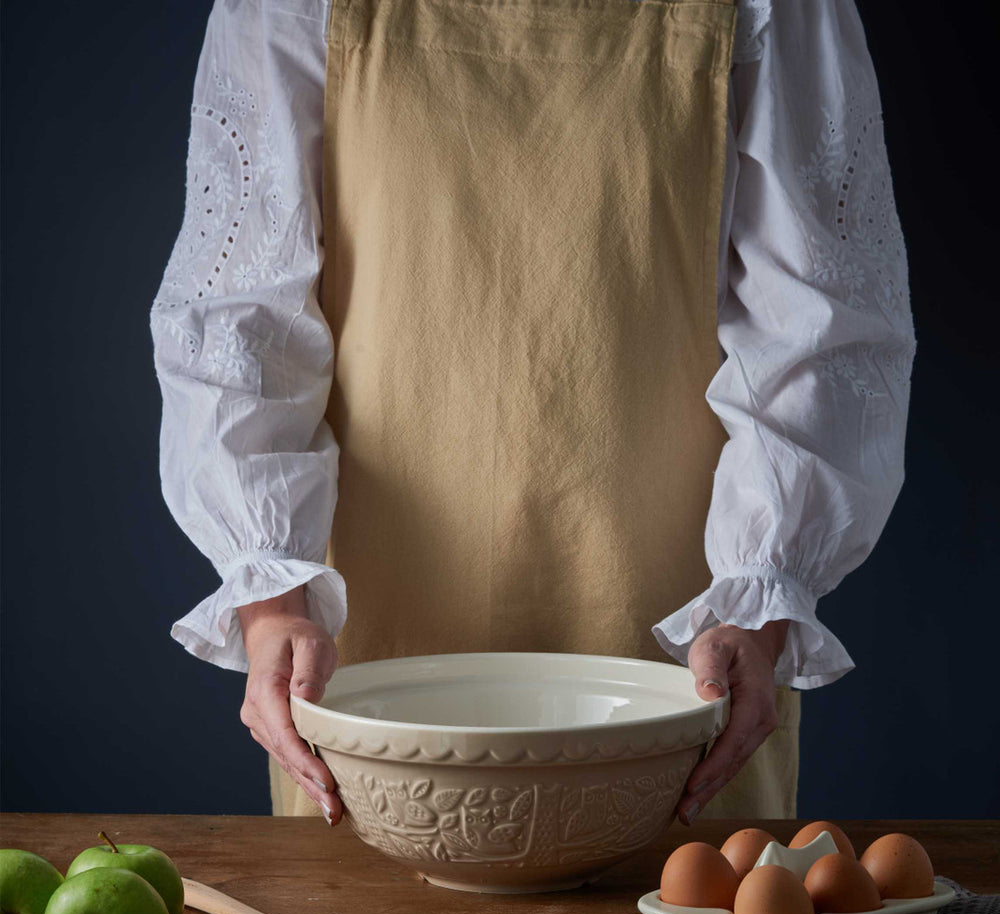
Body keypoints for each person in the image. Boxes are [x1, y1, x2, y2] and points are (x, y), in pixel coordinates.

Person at [150, 0, 915, 828]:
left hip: (685, 650)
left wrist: (759, 617)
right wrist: (273, 611)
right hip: (373, 663)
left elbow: (823, 327)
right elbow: (240, 324)